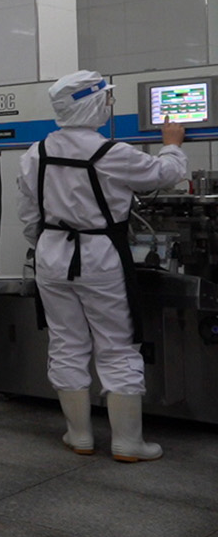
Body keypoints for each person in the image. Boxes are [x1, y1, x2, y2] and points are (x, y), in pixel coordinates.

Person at [17, 70, 186, 463]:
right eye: (107, 98)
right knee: (116, 345)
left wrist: (47, 249)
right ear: (94, 105)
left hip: (50, 255)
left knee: (66, 343)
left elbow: (28, 216)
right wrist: (172, 144)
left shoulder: (34, 153)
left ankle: (79, 435)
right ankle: (127, 442)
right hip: (100, 256)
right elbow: (165, 174)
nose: (110, 104)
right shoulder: (111, 152)